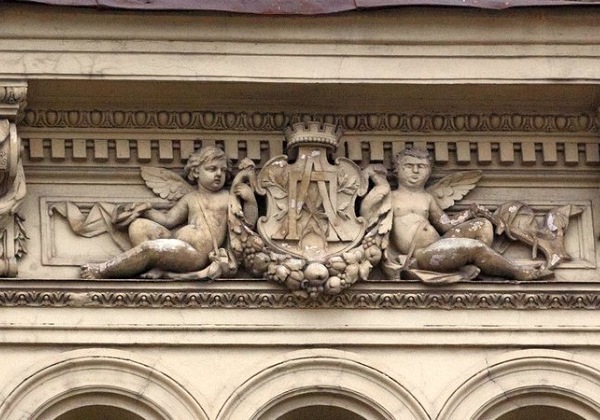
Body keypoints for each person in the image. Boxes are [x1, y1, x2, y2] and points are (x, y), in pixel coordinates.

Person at [81, 146, 257, 280]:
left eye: (223, 170)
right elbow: (168, 220)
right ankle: (154, 265)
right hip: (178, 244)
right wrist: (145, 209)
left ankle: (103, 270)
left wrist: (250, 201)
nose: (219, 174)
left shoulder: (226, 197)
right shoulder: (191, 198)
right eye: (212, 169)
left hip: (196, 254)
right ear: (196, 171)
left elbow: (247, 224)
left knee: (150, 248)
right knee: (139, 226)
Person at [384, 147, 551, 282]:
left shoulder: (427, 198)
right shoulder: (390, 197)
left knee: (482, 224)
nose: (415, 171)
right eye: (409, 166)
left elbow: (445, 225)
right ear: (397, 170)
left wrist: (469, 213)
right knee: (475, 247)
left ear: (428, 171)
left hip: (439, 245)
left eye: (421, 167)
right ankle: (517, 271)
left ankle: (478, 267)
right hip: (422, 255)